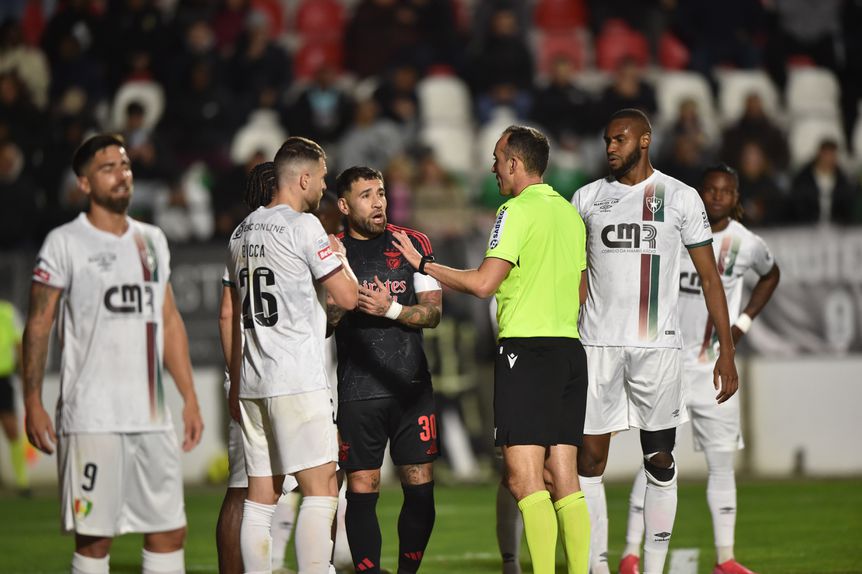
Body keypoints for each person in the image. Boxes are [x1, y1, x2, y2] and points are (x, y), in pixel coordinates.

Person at [392, 125, 591, 574]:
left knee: (523, 480)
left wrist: (425, 265)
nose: (493, 167)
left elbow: (483, 284)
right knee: (565, 480)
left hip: (526, 352)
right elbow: (580, 292)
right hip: (568, 352)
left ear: (516, 164)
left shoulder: (514, 211)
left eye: (498, 159)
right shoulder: (570, 213)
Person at [22, 133, 205, 574]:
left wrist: (189, 396)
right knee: (94, 539)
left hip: (151, 415)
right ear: (84, 184)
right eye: (108, 168)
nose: (121, 174)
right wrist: (32, 401)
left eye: (124, 165)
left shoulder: (152, 239)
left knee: (169, 531)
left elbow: (170, 320)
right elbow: (39, 323)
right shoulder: (64, 242)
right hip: (92, 418)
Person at [571, 109, 739, 574]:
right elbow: (573, 274)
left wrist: (727, 350)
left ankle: (654, 566)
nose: (610, 148)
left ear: (644, 141)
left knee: (660, 460)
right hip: (596, 346)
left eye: (620, 139)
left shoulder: (680, 198)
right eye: (607, 140)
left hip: (657, 348)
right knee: (589, 460)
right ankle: (597, 566)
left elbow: (710, 278)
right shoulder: (585, 198)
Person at [618, 164, 780, 574]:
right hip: (667, 363)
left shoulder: (744, 243)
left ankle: (725, 558)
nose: (717, 197)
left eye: (725, 191)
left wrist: (740, 326)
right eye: (710, 189)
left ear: (736, 196)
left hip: (712, 369)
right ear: (700, 192)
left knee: (721, 464)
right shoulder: (674, 228)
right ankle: (630, 554)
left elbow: (771, 275)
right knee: (656, 458)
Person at [226, 136, 359, 574]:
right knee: (321, 486)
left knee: (261, 494)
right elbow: (347, 296)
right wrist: (340, 258)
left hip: (252, 380)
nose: (325, 188)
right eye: (322, 178)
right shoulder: (304, 227)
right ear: (303, 178)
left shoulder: (240, 232)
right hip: (296, 378)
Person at [328, 165, 442, 574]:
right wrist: (340, 300)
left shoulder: (412, 243)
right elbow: (322, 324)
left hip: (412, 389)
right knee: (362, 488)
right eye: (366, 195)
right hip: (359, 392)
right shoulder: (331, 250)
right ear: (343, 205)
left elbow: (432, 314)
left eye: (380, 193)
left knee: (421, 490)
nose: (378, 202)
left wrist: (389, 308)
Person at [215, 162, 300, 574]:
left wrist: (233, 377)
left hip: (248, 372)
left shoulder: (238, 235)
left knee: (245, 486)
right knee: (319, 480)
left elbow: (226, 314)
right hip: (286, 373)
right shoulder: (294, 229)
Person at [0, 298, 29, 495]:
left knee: (12, 429)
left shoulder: (7, 312)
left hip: (4, 378)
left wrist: (24, 372)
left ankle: (21, 482)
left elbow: (19, 343)